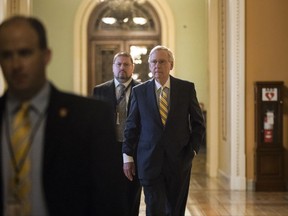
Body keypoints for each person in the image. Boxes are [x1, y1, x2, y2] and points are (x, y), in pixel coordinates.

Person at [0, 15, 122, 216]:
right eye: (6, 55)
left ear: (46, 55)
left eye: (25, 53)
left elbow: (109, 202)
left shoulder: (89, 118)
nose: (16, 64)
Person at [122, 45, 206, 216]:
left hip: (180, 161)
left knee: (175, 210)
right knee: (154, 209)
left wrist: (193, 151)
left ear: (171, 65)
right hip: (149, 161)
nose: (157, 66)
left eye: (161, 62)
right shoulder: (139, 92)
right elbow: (131, 126)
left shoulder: (186, 89)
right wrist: (127, 156)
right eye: (153, 62)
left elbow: (198, 124)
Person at [93, 52, 141, 216]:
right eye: (119, 64)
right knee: (108, 195)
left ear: (132, 67)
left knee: (132, 195)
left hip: (134, 150)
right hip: (108, 150)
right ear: (113, 67)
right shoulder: (99, 91)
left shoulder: (142, 90)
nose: (122, 67)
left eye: (126, 64)